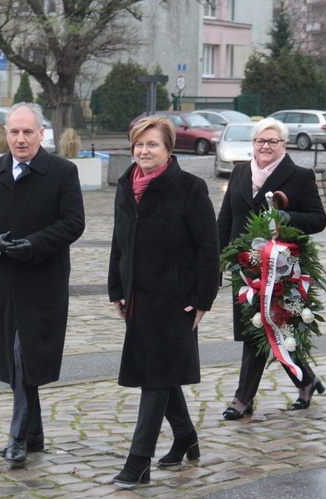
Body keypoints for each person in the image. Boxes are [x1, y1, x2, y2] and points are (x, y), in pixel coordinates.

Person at [0, 102, 85, 463]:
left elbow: (73, 223)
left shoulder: (62, 171)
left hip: (44, 282)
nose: (20, 138)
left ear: (41, 133)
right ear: (5, 133)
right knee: (17, 356)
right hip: (7, 282)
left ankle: (18, 435)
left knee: (26, 355)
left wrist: (34, 244)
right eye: (14, 131)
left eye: (27, 131)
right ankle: (31, 433)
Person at [108, 116, 219, 489]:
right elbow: (118, 241)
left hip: (177, 300)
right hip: (139, 298)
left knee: (154, 377)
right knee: (161, 372)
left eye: (152, 144)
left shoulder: (189, 187)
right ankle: (186, 436)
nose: (144, 151)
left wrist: (203, 297)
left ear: (169, 149)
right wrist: (116, 287)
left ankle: (138, 462)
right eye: (139, 144)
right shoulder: (126, 186)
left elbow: (208, 247)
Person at [217, 117, 326, 420]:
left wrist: (286, 218)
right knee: (266, 330)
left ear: (284, 144)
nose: (265, 147)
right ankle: (306, 380)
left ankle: (243, 400)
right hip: (244, 267)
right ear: (253, 144)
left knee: (262, 330)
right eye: (260, 141)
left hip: (281, 268)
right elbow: (225, 220)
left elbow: (318, 219)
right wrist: (216, 261)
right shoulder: (240, 171)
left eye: (272, 141)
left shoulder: (300, 176)